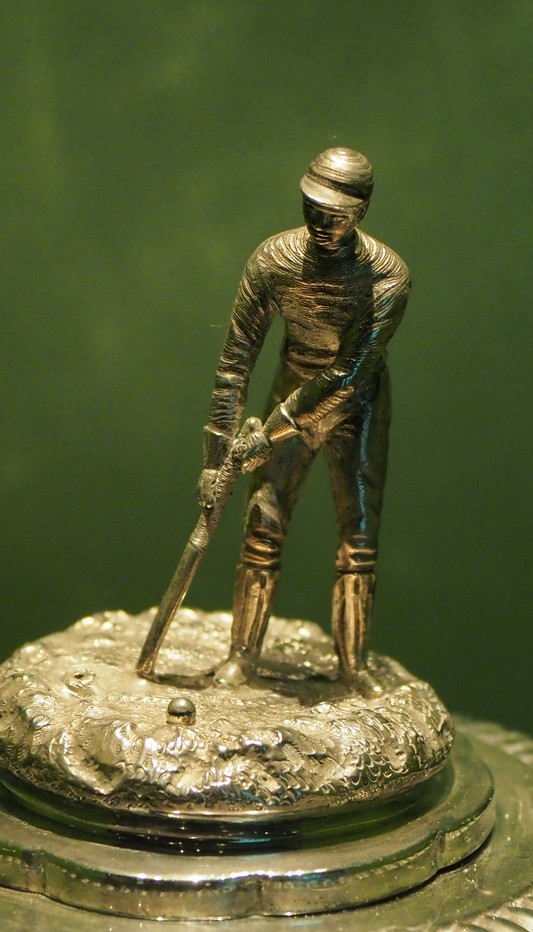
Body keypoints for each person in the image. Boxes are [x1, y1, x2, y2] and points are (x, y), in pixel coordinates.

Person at [199, 147, 409, 694]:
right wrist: (216, 459)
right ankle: (242, 656)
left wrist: (268, 432)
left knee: (358, 536)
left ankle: (353, 666)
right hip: (290, 384)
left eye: (335, 214)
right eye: (312, 207)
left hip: (356, 406)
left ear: (361, 212)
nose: (320, 221)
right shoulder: (273, 260)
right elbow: (234, 362)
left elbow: (346, 374)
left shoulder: (386, 276)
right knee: (262, 524)